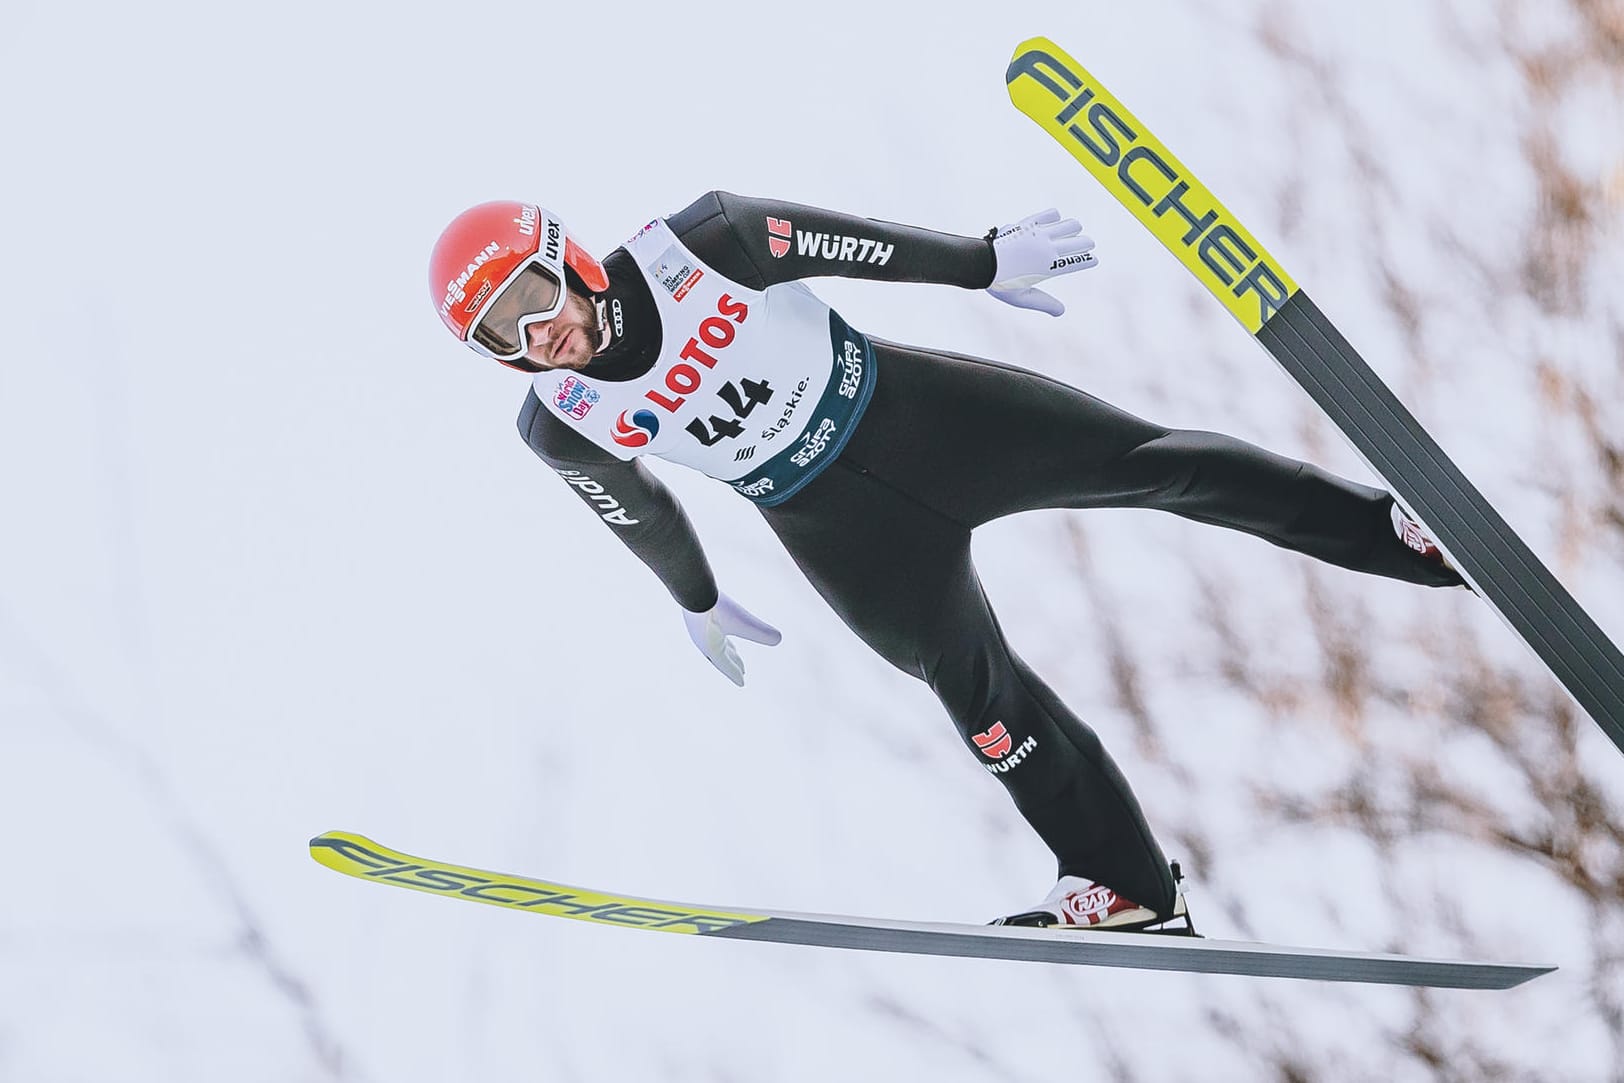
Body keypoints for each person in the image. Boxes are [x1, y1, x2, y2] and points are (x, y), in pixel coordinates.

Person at [428, 193, 1462, 931]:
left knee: (1157, 468)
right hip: (836, 526)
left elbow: (848, 245)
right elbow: (636, 508)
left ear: (563, 257)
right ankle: (1124, 883)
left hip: (924, 419)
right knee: (975, 699)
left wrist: (983, 261)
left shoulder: (702, 242)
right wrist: (694, 597)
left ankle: (1401, 536)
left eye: (529, 300)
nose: (535, 336)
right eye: (499, 336)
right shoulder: (561, 424)